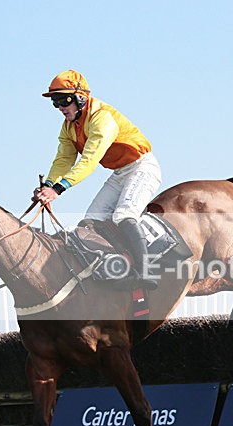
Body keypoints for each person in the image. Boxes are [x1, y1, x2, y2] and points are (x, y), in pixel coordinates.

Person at [33, 70, 162, 288]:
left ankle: (146, 271)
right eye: (55, 103)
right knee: (91, 221)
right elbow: (64, 159)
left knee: (123, 214)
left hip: (142, 167)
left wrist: (58, 189)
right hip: (120, 173)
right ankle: (115, 267)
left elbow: (90, 160)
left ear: (80, 97)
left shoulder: (101, 118)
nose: (61, 107)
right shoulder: (68, 127)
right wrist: (47, 185)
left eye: (64, 100)